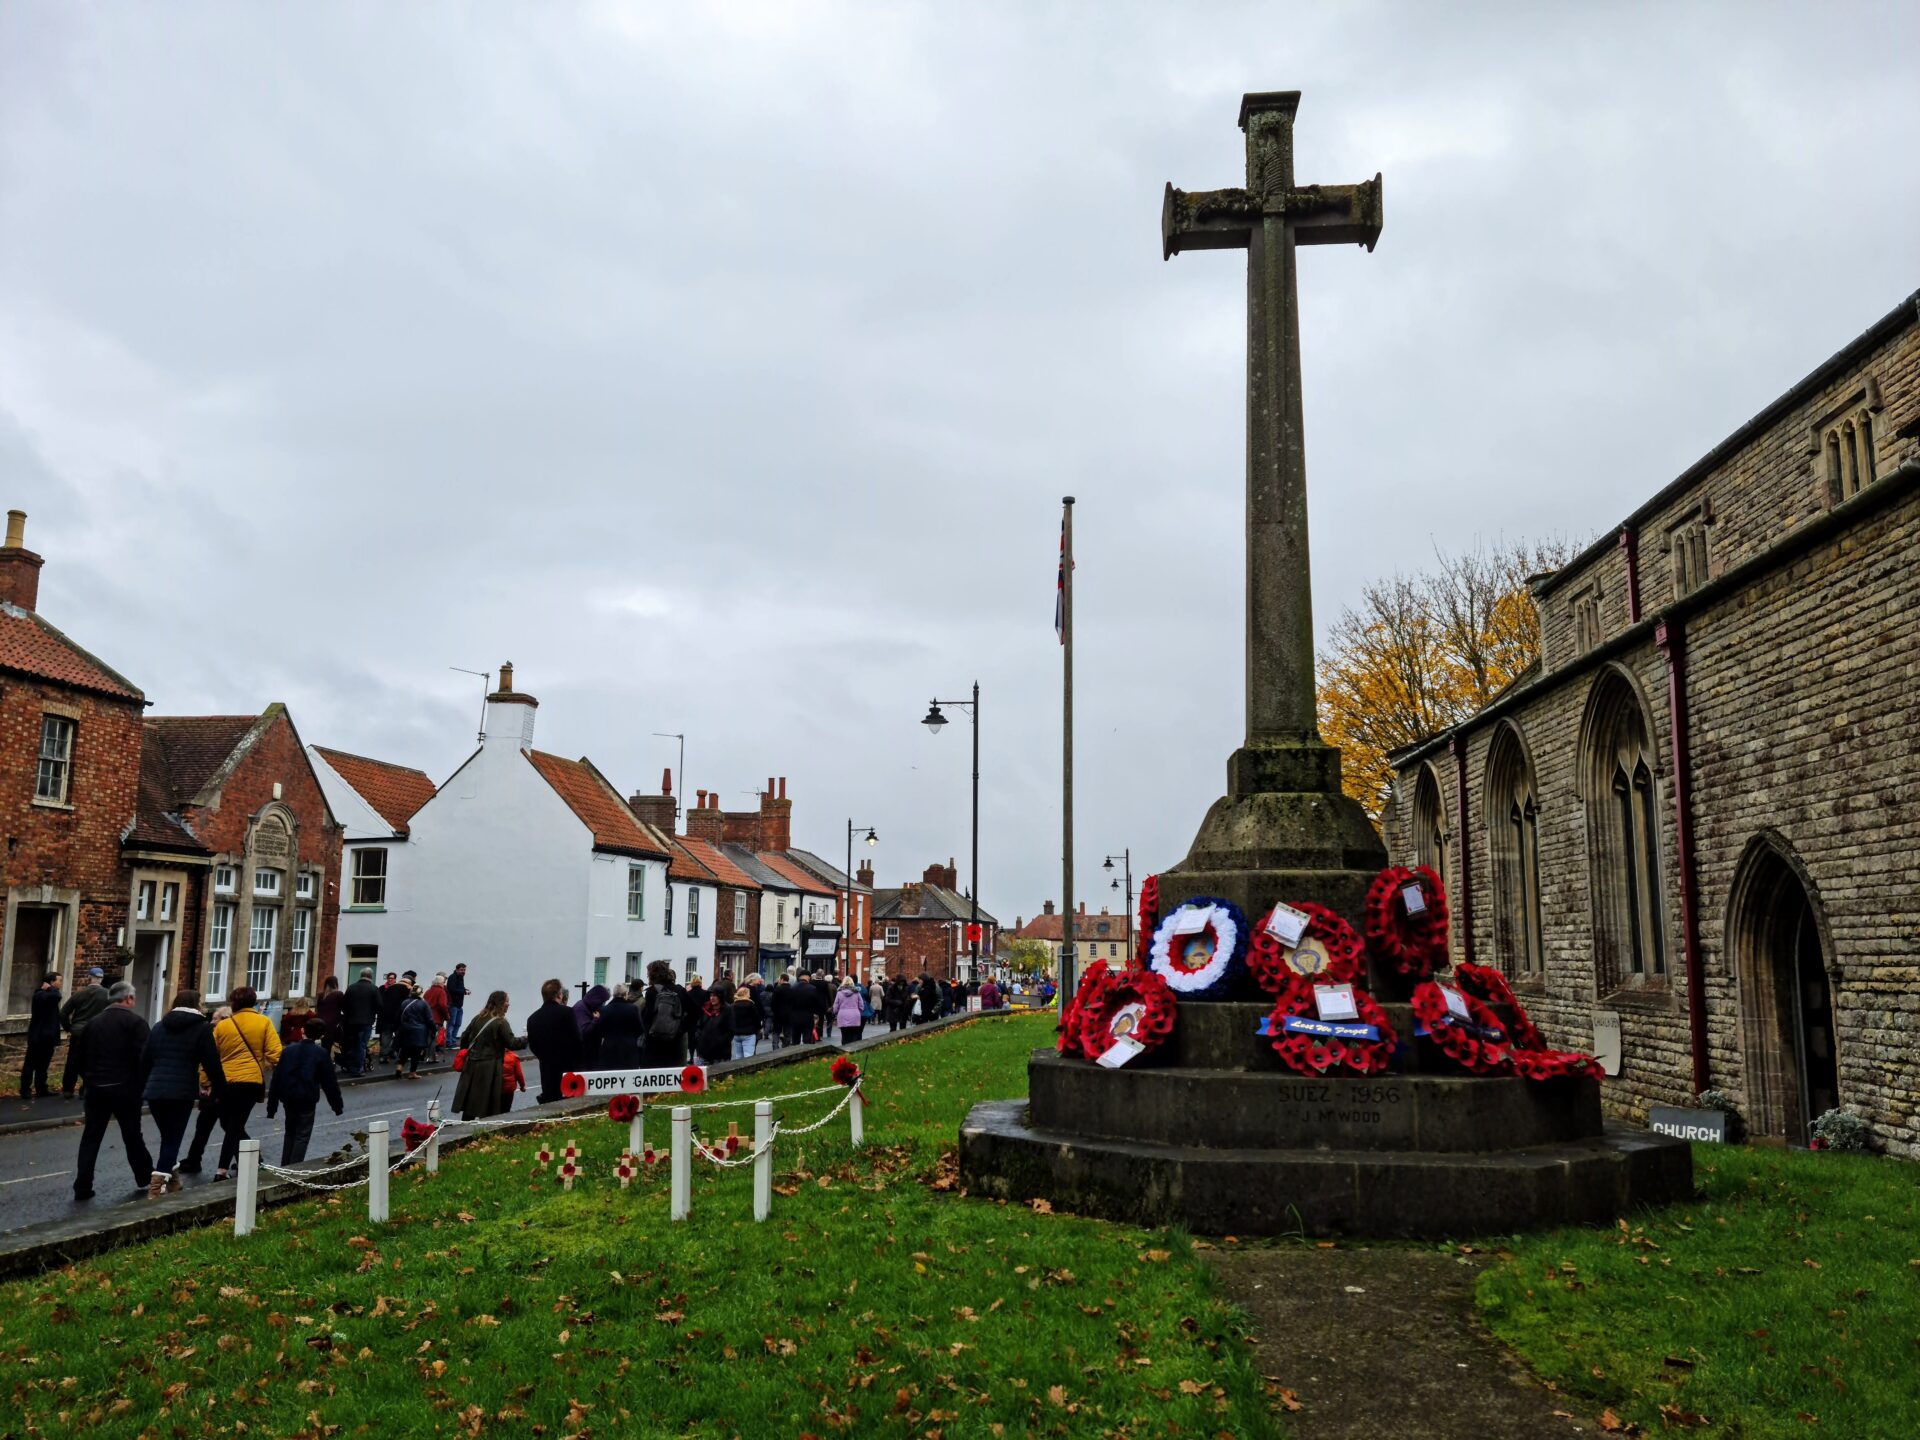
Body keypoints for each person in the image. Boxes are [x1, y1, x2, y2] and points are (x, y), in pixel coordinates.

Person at [69, 981, 154, 1201]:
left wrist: (89, 1079)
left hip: (96, 1088)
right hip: (126, 1089)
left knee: (91, 1137)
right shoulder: (136, 1023)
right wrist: (140, 1084)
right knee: (132, 1135)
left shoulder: (93, 1024)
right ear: (128, 999)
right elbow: (144, 1058)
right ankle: (144, 1176)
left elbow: (77, 1058)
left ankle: (82, 1185)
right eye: (133, 998)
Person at [139, 988, 225, 1195]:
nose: (204, 1007)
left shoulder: (159, 1027)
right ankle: (156, 1185)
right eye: (201, 1003)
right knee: (172, 1138)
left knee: (168, 1137)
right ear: (196, 1005)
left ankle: (174, 1181)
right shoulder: (202, 1028)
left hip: (156, 1090)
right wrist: (220, 1089)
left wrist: (142, 1088)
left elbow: (144, 1061)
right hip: (181, 1091)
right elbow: (211, 1063)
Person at [204, 987, 282, 1180]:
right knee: (234, 1124)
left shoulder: (223, 1026)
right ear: (253, 1002)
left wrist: (204, 1082)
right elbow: (275, 1053)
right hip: (250, 1081)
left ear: (234, 1003)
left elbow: (209, 1057)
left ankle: (224, 1169)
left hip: (225, 1082)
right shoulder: (264, 1022)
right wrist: (273, 1066)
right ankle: (245, 1162)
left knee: (230, 1124)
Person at [265, 1018, 343, 1165]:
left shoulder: (288, 1051)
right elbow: (329, 1083)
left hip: (288, 1097)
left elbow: (277, 1078)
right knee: (302, 1134)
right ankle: (295, 1166)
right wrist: (337, 1105)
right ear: (321, 1036)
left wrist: (272, 1107)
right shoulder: (320, 1053)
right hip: (307, 1097)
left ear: (303, 1031)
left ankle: (286, 1165)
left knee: (290, 1132)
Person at [178, 1005, 232, 1173]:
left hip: (217, 1087)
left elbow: (209, 1063)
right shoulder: (221, 1034)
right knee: (208, 1124)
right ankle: (194, 1159)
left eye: (216, 1018)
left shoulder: (216, 1035)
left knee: (226, 1126)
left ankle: (254, 1157)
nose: (212, 1021)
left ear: (224, 1020)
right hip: (222, 1085)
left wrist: (205, 1084)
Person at [454, 991, 515, 1122]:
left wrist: (470, 1051)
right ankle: (489, 1131)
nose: (508, 1004)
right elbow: (511, 1043)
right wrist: (527, 1039)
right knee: (489, 1102)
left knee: (471, 1101)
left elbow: (464, 1037)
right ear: (500, 1003)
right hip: (490, 1066)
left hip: (471, 1065)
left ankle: (464, 1129)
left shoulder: (478, 1018)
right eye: (506, 1001)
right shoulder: (500, 1022)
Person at [525, 978, 584, 1104]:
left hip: (547, 1068)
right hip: (567, 1067)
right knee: (569, 1103)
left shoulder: (533, 1018)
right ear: (559, 995)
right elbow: (577, 1039)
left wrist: (544, 1057)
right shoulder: (567, 1012)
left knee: (550, 1102)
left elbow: (533, 1045)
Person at [58, 967, 111, 1097]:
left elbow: (64, 1013)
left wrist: (68, 1027)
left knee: (73, 1061)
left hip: (78, 1032)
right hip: (96, 1032)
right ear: (101, 979)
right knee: (92, 1061)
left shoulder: (79, 994)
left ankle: (68, 1089)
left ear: (89, 977)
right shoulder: (108, 995)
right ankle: (86, 1088)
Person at [20, 972, 61, 1098]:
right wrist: (49, 988)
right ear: (52, 982)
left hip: (47, 1037)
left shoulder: (47, 994)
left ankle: (41, 1088)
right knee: (30, 1064)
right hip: (38, 1036)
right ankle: (25, 1089)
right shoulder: (40, 994)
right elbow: (57, 997)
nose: (60, 983)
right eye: (59, 980)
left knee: (43, 1065)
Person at [639, 961, 686, 1067]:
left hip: (654, 1044)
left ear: (653, 974)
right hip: (674, 1043)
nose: (647, 975)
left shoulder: (651, 992)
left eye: (648, 973)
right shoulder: (679, 990)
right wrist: (681, 1028)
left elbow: (648, 1018)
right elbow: (696, 1011)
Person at [593, 984, 644, 1070]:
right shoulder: (633, 1009)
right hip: (629, 1048)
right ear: (625, 994)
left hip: (609, 1048)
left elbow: (600, 1031)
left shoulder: (605, 1010)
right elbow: (640, 1029)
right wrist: (631, 1037)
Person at [340, 971, 379, 1076]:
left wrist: (349, 1014)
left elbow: (343, 1005)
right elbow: (379, 1005)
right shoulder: (374, 989)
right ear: (371, 977)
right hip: (366, 1022)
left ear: (360, 976)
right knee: (361, 1045)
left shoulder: (351, 988)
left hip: (351, 1022)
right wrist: (372, 1014)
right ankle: (358, 1068)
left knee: (352, 1044)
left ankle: (350, 1066)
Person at [395, 984, 434, 1078]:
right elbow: (429, 1019)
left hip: (405, 1029)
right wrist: (433, 1028)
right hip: (419, 1031)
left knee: (405, 1049)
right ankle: (412, 1073)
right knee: (416, 1052)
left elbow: (399, 1016)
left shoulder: (404, 1002)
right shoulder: (424, 1004)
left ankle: (399, 1067)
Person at [573, 983, 610, 1069]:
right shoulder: (581, 1008)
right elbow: (583, 1031)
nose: (603, 1004)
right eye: (602, 1001)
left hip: (590, 1052)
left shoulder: (588, 1006)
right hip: (584, 1054)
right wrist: (595, 1020)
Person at [376, 971, 408, 1061]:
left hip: (396, 1017)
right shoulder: (382, 988)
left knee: (398, 1036)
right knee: (386, 1036)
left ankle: (392, 1051)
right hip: (385, 1017)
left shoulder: (399, 988)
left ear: (395, 979)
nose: (390, 980)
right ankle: (384, 1055)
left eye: (392, 978)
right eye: (389, 978)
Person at [694, 993, 731, 1066]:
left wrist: (721, 1040)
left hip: (720, 1052)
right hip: (703, 1050)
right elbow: (699, 1025)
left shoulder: (727, 1010)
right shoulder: (706, 1008)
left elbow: (730, 1029)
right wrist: (698, 1037)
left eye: (715, 995)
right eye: (711, 996)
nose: (712, 998)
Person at [313, 976, 345, 1061]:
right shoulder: (339, 994)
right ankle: (328, 1062)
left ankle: (322, 1060)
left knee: (324, 1043)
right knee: (333, 1043)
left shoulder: (321, 995)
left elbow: (318, 1009)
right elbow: (344, 1008)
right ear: (335, 984)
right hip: (333, 1023)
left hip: (320, 1022)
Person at [728, 982, 759, 1060]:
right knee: (748, 1056)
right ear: (746, 994)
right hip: (749, 1033)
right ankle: (748, 1071)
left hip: (736, 1034)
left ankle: (739, 1071)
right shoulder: (751, 1005)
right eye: (748, 993)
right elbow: (756, 1019)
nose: (750, 995)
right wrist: (758, 1028)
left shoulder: (732, 1006)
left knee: (738, 1056)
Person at [831, 977, 865, 1045]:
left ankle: (844, 1051)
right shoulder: (857, 993)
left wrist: (836, 1013)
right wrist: (858, 1012)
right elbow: (861, 1005)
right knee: (854, 1035)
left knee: (844, 1035)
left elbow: (835, 1006)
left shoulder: (839, 993)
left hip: (842, 1016)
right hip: (855, 1016)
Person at [423, 974, 451, 1055]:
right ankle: (431, 1056)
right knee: (433, 1038)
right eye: (443, 983)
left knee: (427, 1037)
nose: (444, 984)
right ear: (439, 983)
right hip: (436, 1018)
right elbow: (442, 1005)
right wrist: (447, 1016)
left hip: (426, 1017)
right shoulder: (441, 991)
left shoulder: (428, 991)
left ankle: (424, 1054)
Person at [445, 963, 468, 1050]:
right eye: (462, 970)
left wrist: (464, 990)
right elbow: (452, 989)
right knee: (451, 1023)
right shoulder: (452, 977)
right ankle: (449, 1042)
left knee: (458, 1023)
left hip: (459, 1005)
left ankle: (453, 1041)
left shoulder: (460, 977)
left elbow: (459, 988)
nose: (463, 971)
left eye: (464, 970)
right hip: (453, 1004)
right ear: (457, 969)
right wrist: (463, 991)